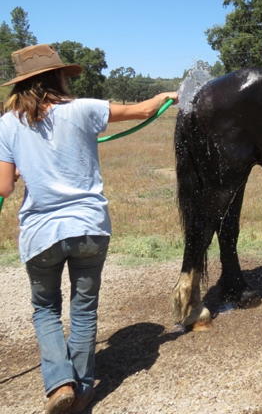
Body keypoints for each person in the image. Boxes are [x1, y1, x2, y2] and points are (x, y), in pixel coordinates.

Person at [0, 44, 178, 414]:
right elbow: (145, 109)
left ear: (21, 85)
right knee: (83, 310)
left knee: (45, 309)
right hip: (89, 228)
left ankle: (59, 383)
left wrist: (21, 168)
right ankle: (81, 392)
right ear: (57, 76)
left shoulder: (6, 125)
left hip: (41, 234)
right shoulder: (85, 109)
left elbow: (3, 187)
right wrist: (169, 95)